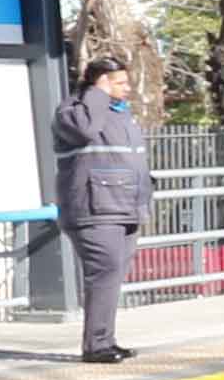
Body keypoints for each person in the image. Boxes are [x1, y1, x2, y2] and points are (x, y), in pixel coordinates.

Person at [55, 55, 152, 362]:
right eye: (120, 83)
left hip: (125, 207)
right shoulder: (73, 112)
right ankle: (96, 346)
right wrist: (96, 94)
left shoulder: (120, 114)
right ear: (101, 83)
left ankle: (105, 339)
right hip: (94, 209)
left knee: (113, 275)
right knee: (103, 273)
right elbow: (84, 131)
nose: (128, 89)